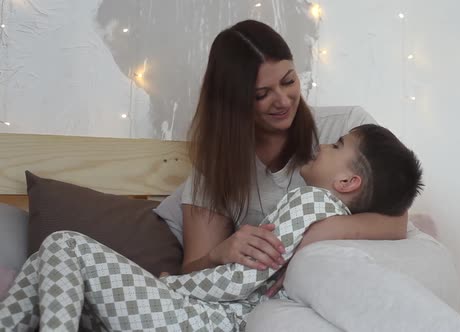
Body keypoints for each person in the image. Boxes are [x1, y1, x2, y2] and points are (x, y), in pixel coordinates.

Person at [0, 124, 422, 331]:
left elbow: (241, 280)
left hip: (207, 322)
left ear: (348, 182)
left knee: (64, 244)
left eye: (336, 146)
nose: (323, 145)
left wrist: (167, 286)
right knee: (45, 259)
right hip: (203, 314)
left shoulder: (311, 201)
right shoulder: (326, 213)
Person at [177, 19, 409, 300]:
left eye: (288, 81)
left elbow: (396, 220)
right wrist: (220, 253)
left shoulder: (348, 127)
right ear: (233, 101)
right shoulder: (216, 166)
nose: (284, 101)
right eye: (262, 94)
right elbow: (190, 276)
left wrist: (320, 232)